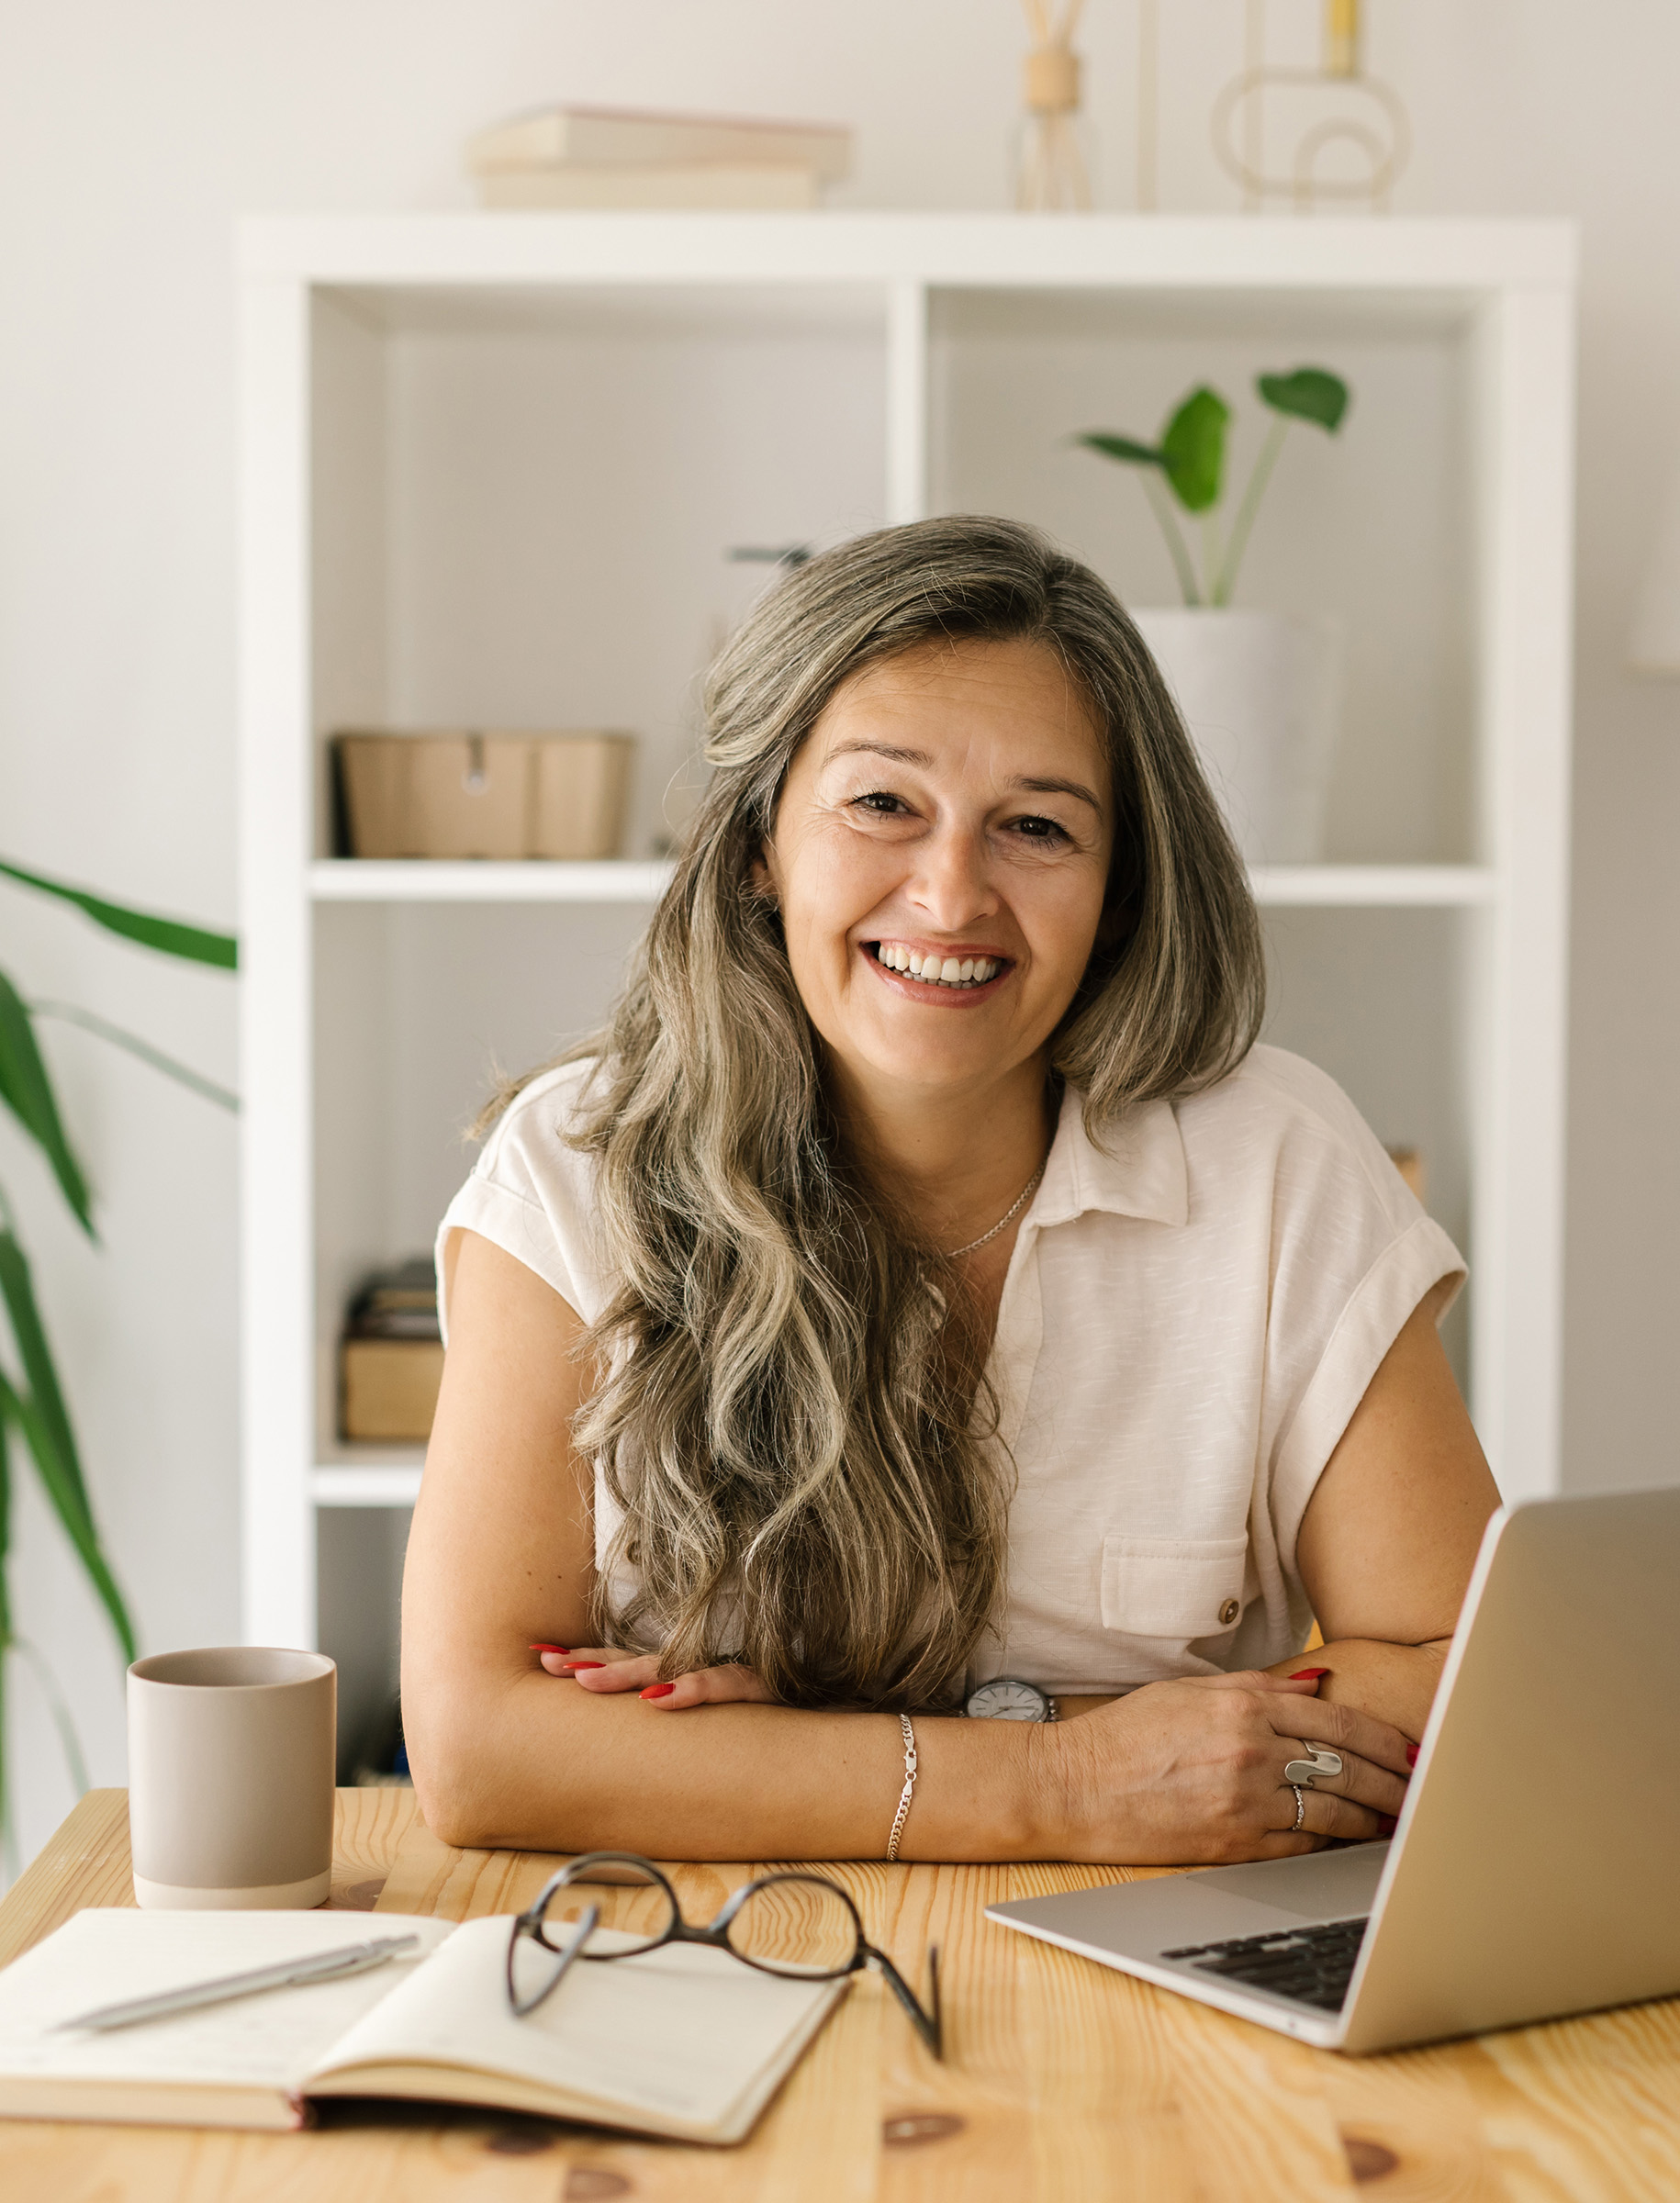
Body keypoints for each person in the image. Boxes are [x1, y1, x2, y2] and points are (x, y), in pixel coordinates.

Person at [401, 516, 1498, 1866]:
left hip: (1159, 1951)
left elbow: (1468, 1681)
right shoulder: (575, 1166)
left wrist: (821, 1750)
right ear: (756, 843)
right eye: (882, 804)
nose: (951, 894)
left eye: (1037, 827)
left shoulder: (1281, 1160)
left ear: (1118, 890)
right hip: (707, 1941)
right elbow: (478, 1747)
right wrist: (1063, 1781)